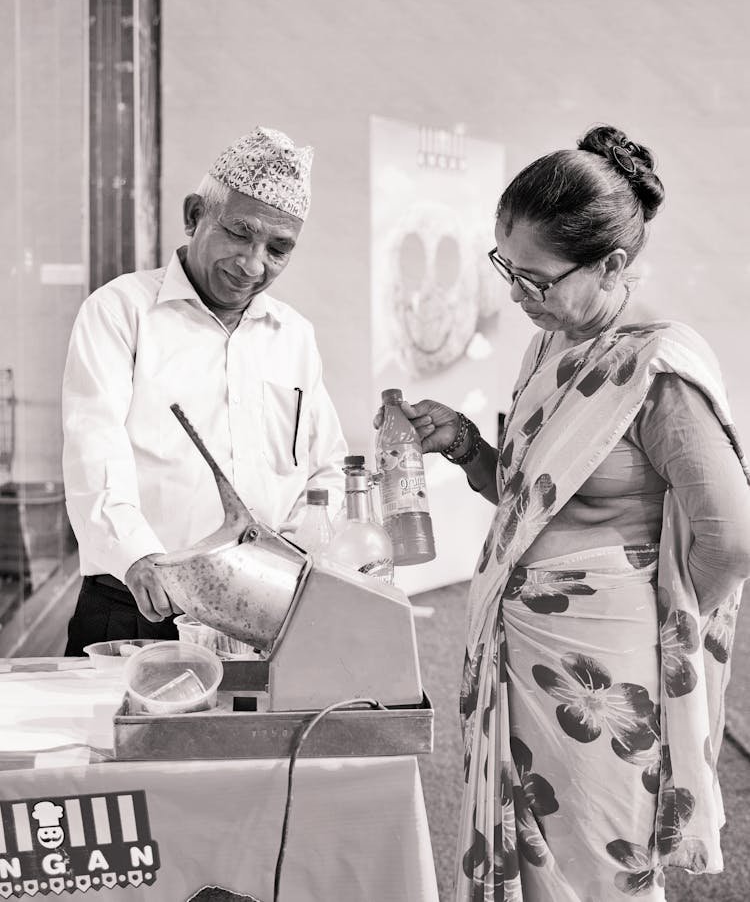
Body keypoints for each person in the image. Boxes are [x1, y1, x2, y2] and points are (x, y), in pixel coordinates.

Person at [378, 125, 750, 901]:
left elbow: (730, 538)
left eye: (537, 279)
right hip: (521, 661)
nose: (517, 294)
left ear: (613, 264)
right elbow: (528, 498)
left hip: (603, 684)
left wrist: (656, 626)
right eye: (505, 268)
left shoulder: (656, 370)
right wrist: (470, 446)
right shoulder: (549, 349)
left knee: (599, 874)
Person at [63, 126, 347, 655]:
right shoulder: (120, 312)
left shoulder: (294, 336)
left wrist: (298, 554)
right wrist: (139, 556)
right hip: (136, 604)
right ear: (194, 215)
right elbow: (93, 452)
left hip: (262, 612)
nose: (254, 264)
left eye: (278, 249)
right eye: (239, 233)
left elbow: (324, 467)